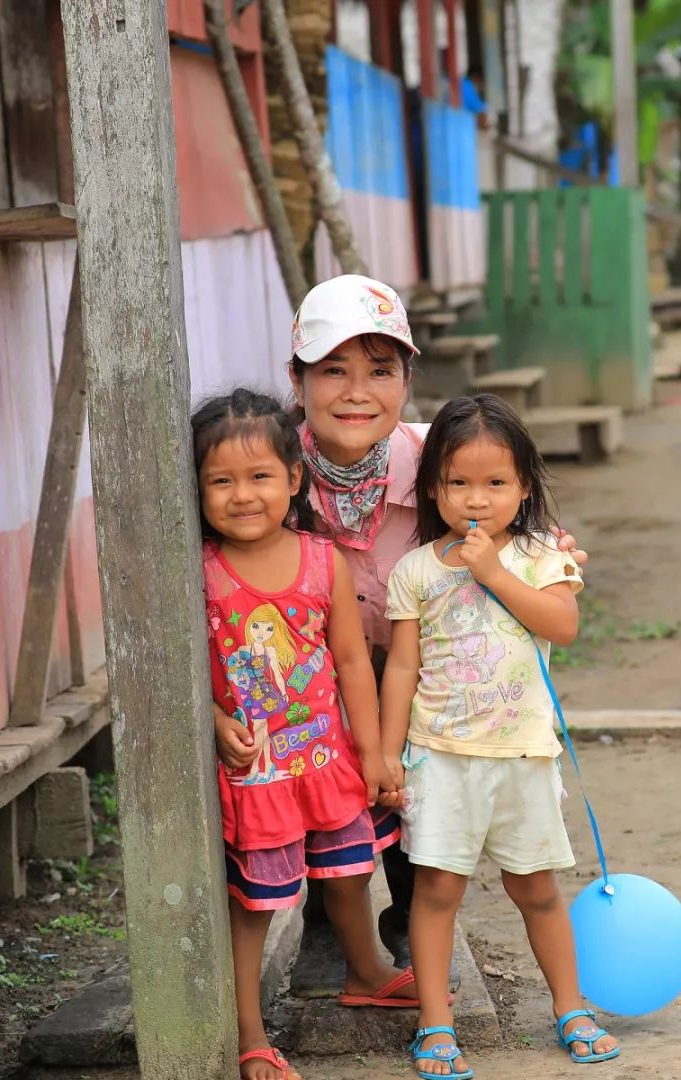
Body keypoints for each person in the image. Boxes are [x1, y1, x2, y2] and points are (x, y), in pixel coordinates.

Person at [285, 275, 587, 993]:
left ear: (406, 380)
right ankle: (333, 927)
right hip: (307, 677)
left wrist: (553, 550)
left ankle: (407, 936)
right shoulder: (271, 470)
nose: (357, 391)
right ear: (296, 378)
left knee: (416, 809)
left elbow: (517, 516)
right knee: (333, 812)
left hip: (419, 674)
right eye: (333, 370)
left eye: (380, 371)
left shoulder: (441, 463)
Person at [380, 395, 621, 1077]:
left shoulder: (544, 556)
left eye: (496, 483)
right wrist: (386, 752)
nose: (476, 500)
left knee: (537, 889)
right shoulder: (417, 571)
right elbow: (402, 666)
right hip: (441, 760)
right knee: (435, 894)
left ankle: (570, 1006)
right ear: (433, 488)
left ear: (524, 487)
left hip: (522, 756)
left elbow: (562, 626)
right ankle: (435, 1025)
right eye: (459, 483)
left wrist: (492, 571)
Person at [192, 390, 424, 1080]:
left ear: (294, 479)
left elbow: (354, 661)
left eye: (260, 476)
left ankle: (368, 972)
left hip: (325, 759)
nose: (242, 495)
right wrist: (213, 720)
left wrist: (375, 750)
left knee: (350, 876)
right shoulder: (199, 573)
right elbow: (177, 670)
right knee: (257, 905)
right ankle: (249, 1032)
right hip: (256, 774)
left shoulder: (324, 561)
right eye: (220, 481)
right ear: (198, 489)